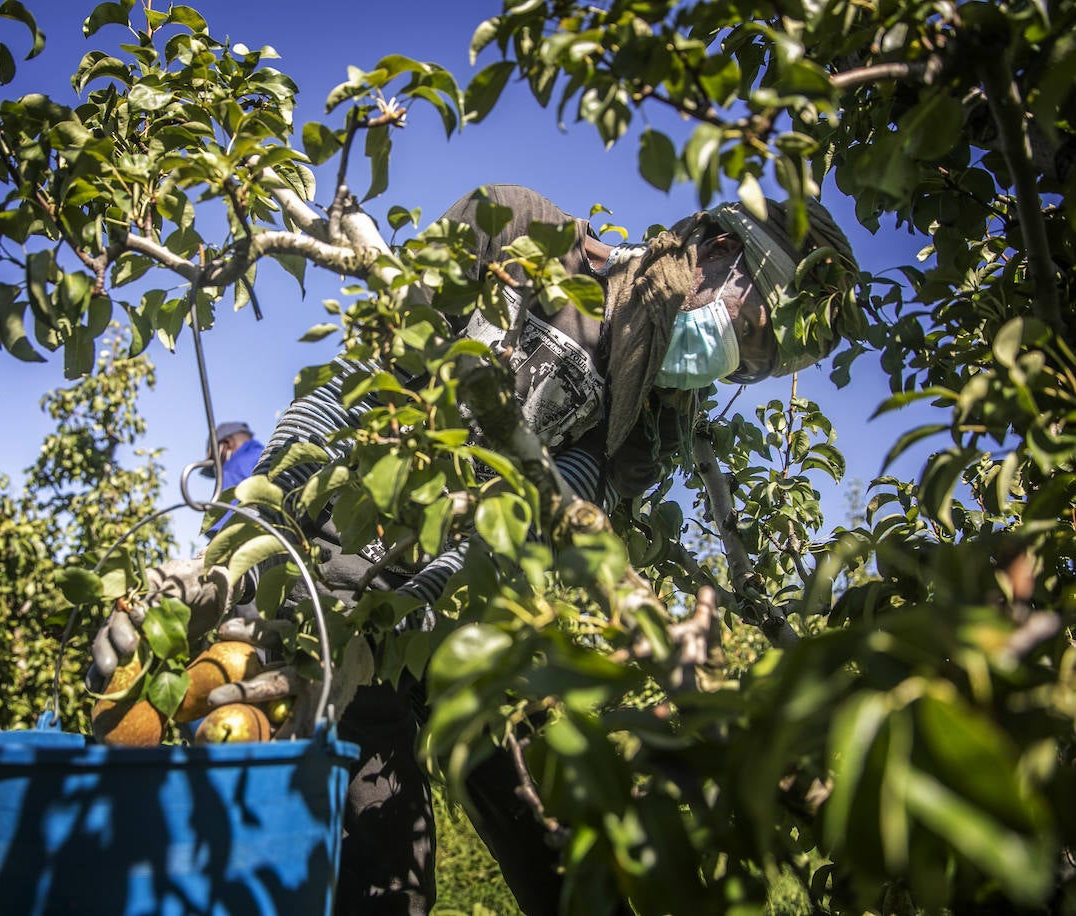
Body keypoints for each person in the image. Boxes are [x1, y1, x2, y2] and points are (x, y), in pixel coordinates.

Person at [93, 184, 858, 915]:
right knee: (384, 868)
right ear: (719, 250)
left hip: (451, 612)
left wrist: (412, 614)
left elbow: (514, 532)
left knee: (552, 844)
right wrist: (242, 552)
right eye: (755, 334)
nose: (742, 364)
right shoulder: (518, 230)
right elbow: (355, 386)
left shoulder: (644, 428)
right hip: (333, 572)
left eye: (764, 367)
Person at [199, 420, 263, 537]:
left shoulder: (232, 468)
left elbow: (220, 530)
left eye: (216, 457)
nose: (218, 466)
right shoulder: (265, 455)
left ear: (227, 444)